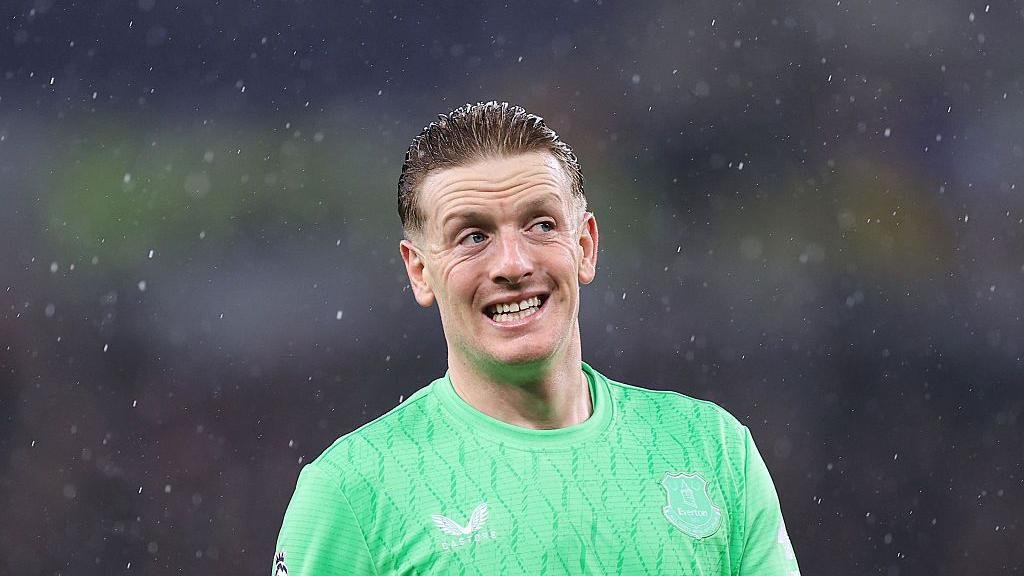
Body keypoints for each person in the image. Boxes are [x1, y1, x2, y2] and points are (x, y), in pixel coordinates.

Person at [272, 101, 801, 575]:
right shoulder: (352, 491)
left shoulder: (712, 451)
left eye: (541, 225)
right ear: (419, 271)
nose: (513, 264)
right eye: (473, 236)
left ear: (585, 246)